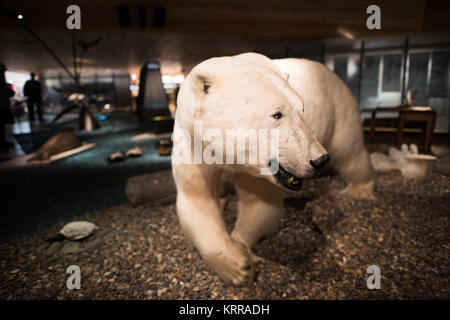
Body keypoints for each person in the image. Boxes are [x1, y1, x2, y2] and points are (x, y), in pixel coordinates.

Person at [0, 62, 15, 148]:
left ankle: (2, 141)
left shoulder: (3, 82)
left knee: (2, 125)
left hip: (3, 105)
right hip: (1, 106)